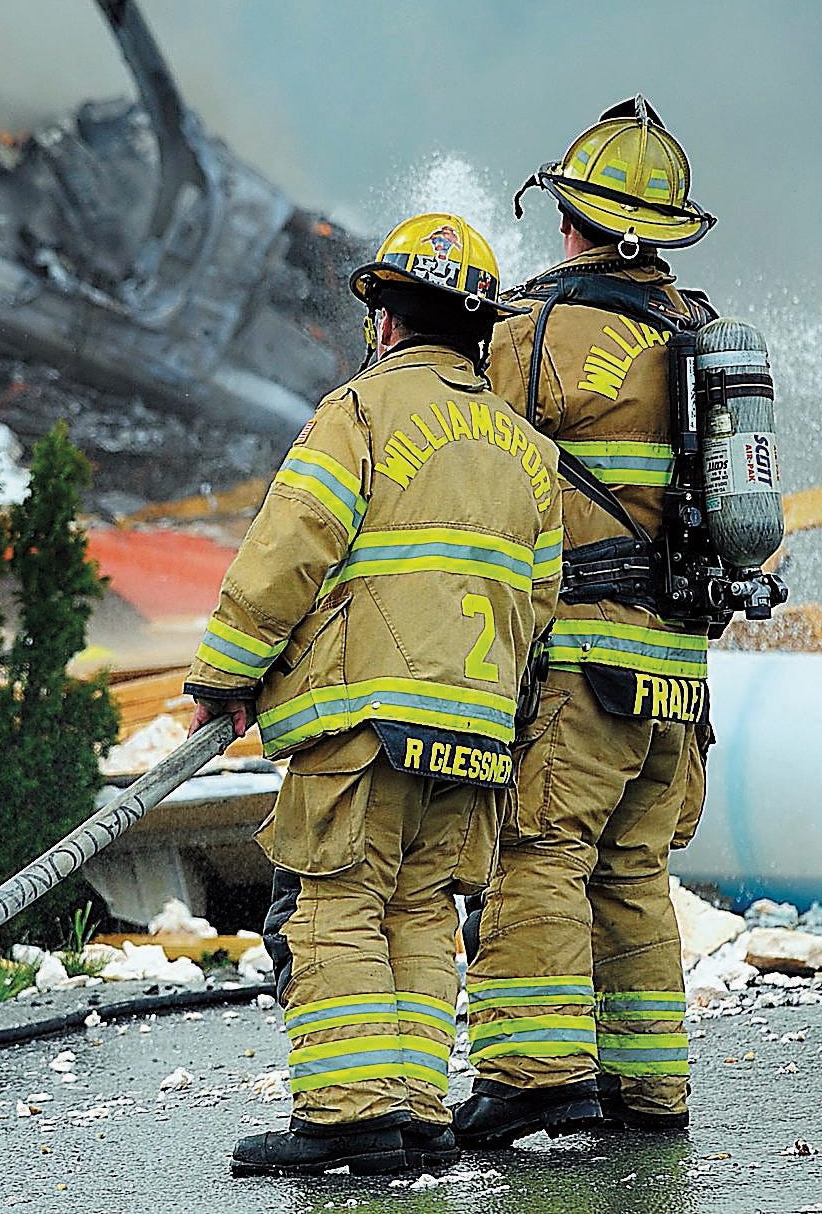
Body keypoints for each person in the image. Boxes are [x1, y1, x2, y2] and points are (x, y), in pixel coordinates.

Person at [185, 213, 562, 1176]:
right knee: (425, 909)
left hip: (364, 724)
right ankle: (417, 1112)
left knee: (338, 905)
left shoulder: (355, 415)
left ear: (385, 321)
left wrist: (227, 674)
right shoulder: (531, 454)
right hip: (476, 736)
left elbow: (287, 552)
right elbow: (543, 604)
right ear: (481, 332)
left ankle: (350, 1116)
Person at [454, 96, 718, 1146]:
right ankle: (650, 1089)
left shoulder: (541, 333)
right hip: (677, 675)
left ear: (572, 220)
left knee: (540, 847)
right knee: (634, 869)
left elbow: (460, 435)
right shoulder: (697, 338)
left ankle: (532, 1074)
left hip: (583, 660)